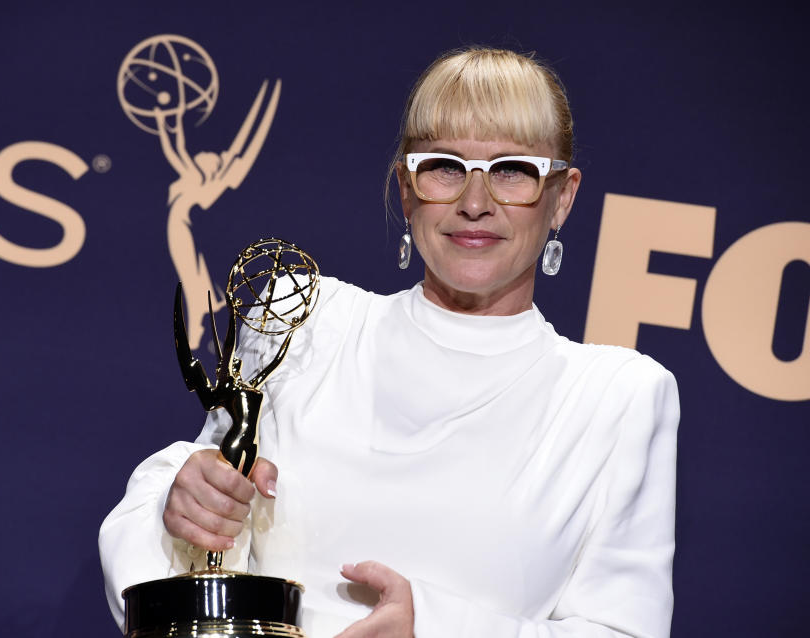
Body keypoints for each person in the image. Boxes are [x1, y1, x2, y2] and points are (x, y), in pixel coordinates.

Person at [99, 47, 679, 638]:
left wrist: (430, 627)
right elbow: (197, 531)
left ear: (562, 197)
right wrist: (186, 506)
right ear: (406, 188)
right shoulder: (302, 320)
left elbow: (623, 631)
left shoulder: (618, 397)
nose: (475, 203)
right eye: (444, 166)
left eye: (511, 170)